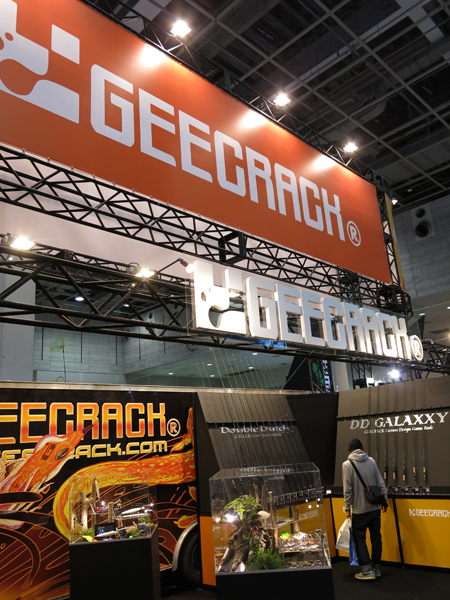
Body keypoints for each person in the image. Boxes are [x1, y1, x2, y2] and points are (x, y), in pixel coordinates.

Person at [342, 438, 388, 581]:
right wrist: (384, 501)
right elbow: (380, 482)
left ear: (349, 451)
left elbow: (348, 490)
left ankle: (367, 571)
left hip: (360, 510)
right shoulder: (371, 461)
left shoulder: (347, 465)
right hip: (375, 507)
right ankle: (377, 568)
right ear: (362, 449)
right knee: (376, 537)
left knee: (360, 539)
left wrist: (347, 507)